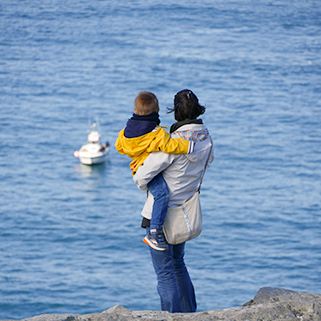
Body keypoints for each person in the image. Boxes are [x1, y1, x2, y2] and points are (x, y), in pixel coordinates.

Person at [133, 89, 214, 313]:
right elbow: (207, 162)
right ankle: (189, 315)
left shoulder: (173, 143)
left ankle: (171, 318)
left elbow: (142, 177)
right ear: (197, 109)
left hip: (159, 217)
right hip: (184, 213)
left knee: (165, 273)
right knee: (178, 264)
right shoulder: (207, 138)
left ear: (176, 113)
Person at [115, 91, 194, 251]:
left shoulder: (125, 132)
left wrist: (136, 151)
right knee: (162, 194)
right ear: (157, 112)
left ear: (135, 111)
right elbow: (169, 146)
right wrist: (188, 146)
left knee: (159, 193)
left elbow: (119, 147)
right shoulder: (157, 134)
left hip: (136, 167)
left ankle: (154, 229)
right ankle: (154, 231)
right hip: (148, 170)